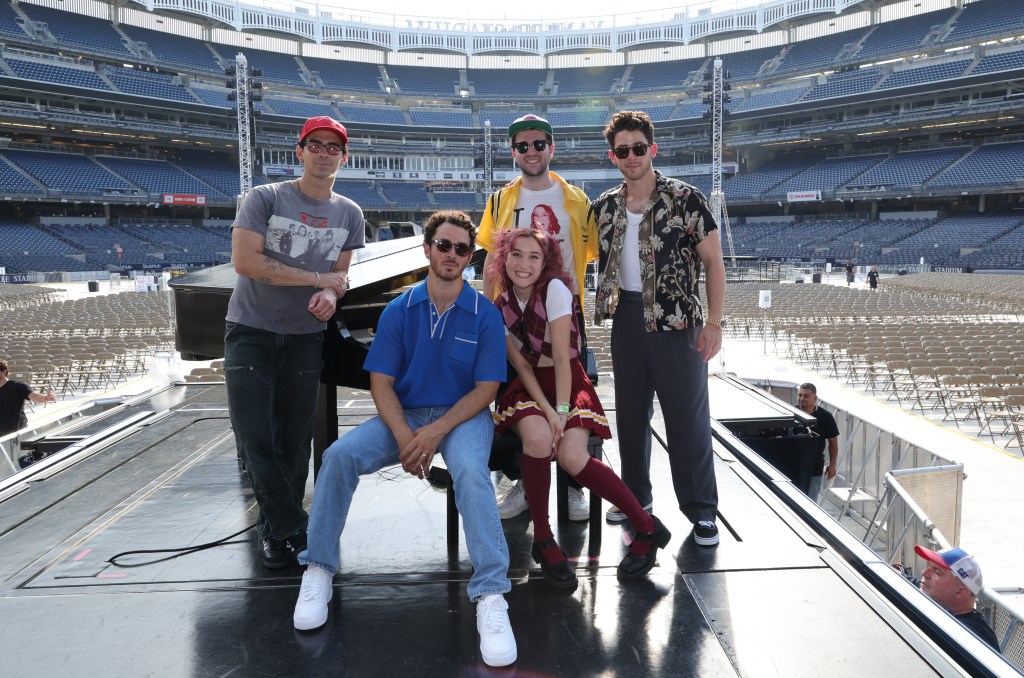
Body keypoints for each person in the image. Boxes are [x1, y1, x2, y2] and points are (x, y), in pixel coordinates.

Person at [293, 211, 517, 668]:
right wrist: (404, 436)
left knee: (473, 473)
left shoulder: (485, 315)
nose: (452, 254)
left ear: (469, 257)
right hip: (406, 414)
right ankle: (318, 567)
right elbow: (381, 382)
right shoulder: (399, 310)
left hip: (462, 417)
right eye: (443, 245)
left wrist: (433, 434)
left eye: (461, 249)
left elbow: (485, 391)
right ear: (428, 249)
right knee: (338, 457)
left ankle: (492, 594)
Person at [489, 228, 671, 587]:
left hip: (566, 381)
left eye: (533, 256)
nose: (524, 264)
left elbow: (560, 357)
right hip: (528, 387)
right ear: (504, 258)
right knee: (539, 438)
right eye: (516, 255)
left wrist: (560, 410)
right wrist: (546, 411)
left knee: (572, 457)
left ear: (545, 262)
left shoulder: (555, 289)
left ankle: (647, 528)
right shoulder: (498, 306)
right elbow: (523, 367)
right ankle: (543, 537)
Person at [224, 115, 365, 570]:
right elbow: (246, 262)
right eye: (316, 145)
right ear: (299, 152)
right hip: (252, 330)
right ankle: (289, 526)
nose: (325, 153)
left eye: (333, 147)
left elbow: (341, 276)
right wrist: (316, 278)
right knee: (255, 438)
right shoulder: (264, 197)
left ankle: (274, 531)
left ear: (343, 157)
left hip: (305, 337)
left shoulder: (350, 213)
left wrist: (328, 290)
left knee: (292, 440)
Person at [591, 110, 726, 546]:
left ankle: (702, 510)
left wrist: (715, 322)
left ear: (653, 149)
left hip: (677, 321)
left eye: (638, 148)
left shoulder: (685, 199)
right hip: (626, 319)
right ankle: (635, 500)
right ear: (613, 157)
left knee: (687, 420)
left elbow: (714, 262)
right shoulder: (605, 206)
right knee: (630, 418)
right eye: (622, 151)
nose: (631, 157)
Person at [479, 113, 598, 523]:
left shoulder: (578, 200)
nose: (532, 152)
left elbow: (593, 253)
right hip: (512, 310)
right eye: (523, 146)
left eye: (539, 144)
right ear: (513, 152)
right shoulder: (499, 200)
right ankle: (523, 482)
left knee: (574, 393)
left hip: (562, 308)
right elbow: (489, 262)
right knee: (515, 394)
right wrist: (484, 311)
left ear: (552, 148)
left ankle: (574, 482)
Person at [914, 545, 1000, 650]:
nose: (924, 573)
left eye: (937, 572)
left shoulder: (973, 637)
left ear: (960, 592)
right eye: (928, 566)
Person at [796, 383, 839, 500]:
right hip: (794, 465)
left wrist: (832, 465)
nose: (801, 399)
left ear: (815, 398)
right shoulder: (791, 413)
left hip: (815, 467)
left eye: (806, 396)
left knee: (810, 500)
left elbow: (833, 442)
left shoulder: (825, 417)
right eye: (799, 395)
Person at [0, 358, 56, 436]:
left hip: (17, 432)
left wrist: (46, 397)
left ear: (4, 371)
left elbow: (35, 396)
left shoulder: (18, 386)